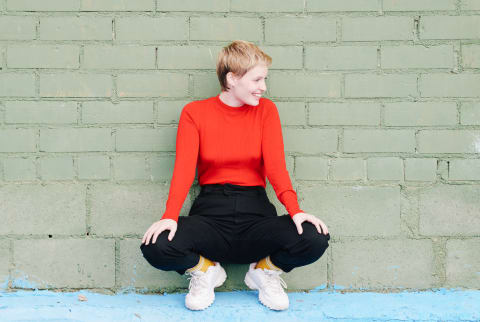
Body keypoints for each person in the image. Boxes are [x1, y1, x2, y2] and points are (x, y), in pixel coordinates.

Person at [140, 40, 330, 311]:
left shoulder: (266, 111)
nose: (263, 87)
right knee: (155, 245)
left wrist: (295, 211)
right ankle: (205, 270)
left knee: (314, 237)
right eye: (257, 79)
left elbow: (276, 169)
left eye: (264, 79)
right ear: (232, 79)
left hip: (256, 219)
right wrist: (169, 216)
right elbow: (183, 171)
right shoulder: (195, 113)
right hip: (210, 219)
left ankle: (264, 271)